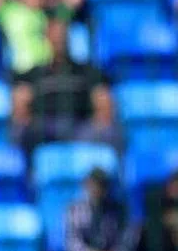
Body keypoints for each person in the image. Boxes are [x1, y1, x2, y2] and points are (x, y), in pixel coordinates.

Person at [10, 16, 119, 151]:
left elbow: (104, 104)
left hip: (80, 127)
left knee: (108, 133)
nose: (58, 40)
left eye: (62, 35)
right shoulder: (32, 75)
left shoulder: (88, 72)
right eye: (54, 35)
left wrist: (101, 115)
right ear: (46, 39)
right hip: (44, 129)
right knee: (21, 132)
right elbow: (20, 109)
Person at [64, 167, 136, 251]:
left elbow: (127, 240)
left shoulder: (120, 210)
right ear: (86, 185)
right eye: (94, 184)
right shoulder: (74, 210)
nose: (97, 189)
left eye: (102, 185)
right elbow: (72, 242)